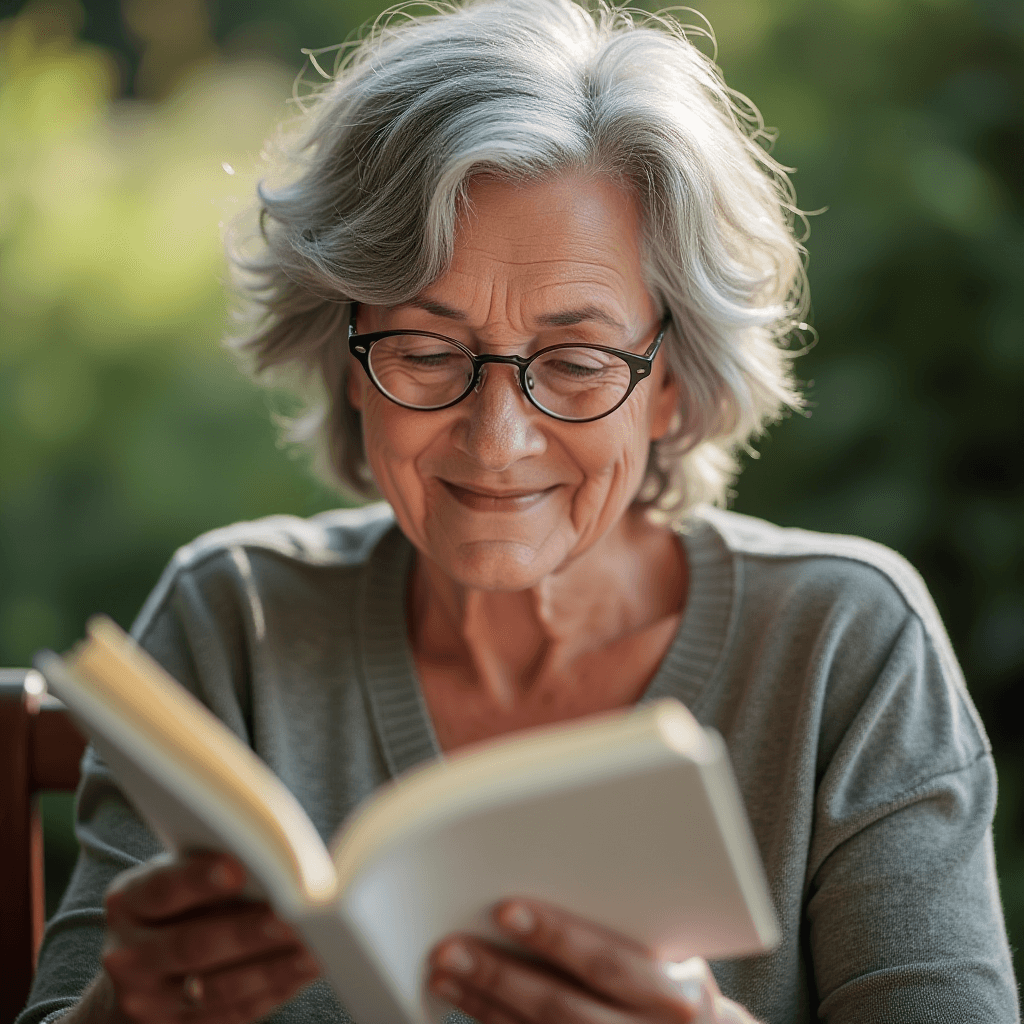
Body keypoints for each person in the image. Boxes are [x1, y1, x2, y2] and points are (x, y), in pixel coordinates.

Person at [18, 1, 1019, 1022]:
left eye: (578, 362)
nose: (497, 439)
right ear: (349, 361)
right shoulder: (233, 620)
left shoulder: (844, 645)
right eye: (424, 351)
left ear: (671, 382)